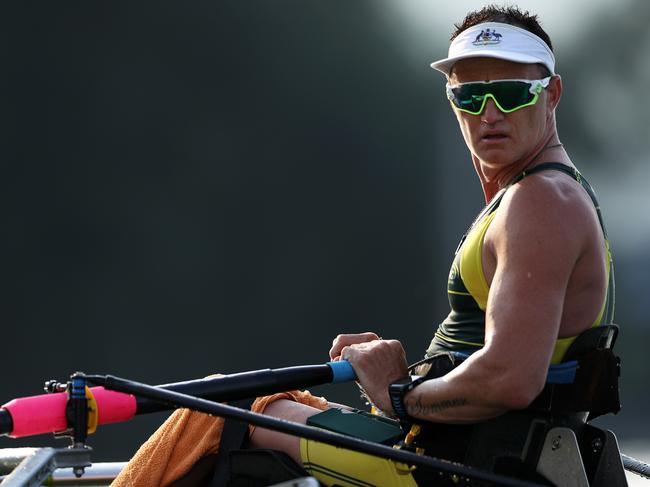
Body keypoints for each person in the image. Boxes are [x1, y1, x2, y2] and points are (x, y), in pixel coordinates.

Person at [112, 6, 617, 487]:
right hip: (458, 448)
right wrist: (400, 377)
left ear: (551, 94)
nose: (489, 114)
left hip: (450, 467)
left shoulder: (540, 201)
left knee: (220, 415)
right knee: (260, 398)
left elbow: (511, 379)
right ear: (451, 101)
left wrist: (401, 394)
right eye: (469, 97)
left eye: (510, 93)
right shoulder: (542, 196)